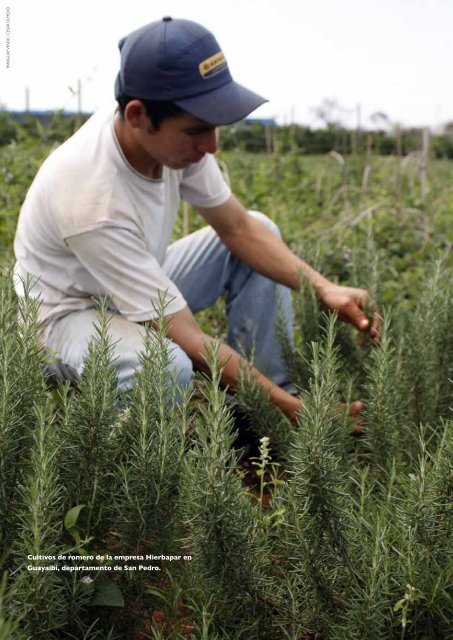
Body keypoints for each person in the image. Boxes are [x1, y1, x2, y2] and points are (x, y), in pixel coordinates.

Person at [13, 17, 379, 423]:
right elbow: (187, 336)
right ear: (136, 115)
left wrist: (325, 288)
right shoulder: (91, 196)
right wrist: (301, 414)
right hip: (68, 316)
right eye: (198, 130)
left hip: (132, 280)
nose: (211, 145)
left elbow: (237, 227)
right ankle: (143, 463)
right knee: (166, 367)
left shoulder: (170, 137)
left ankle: (262, 415)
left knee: (260, 228)